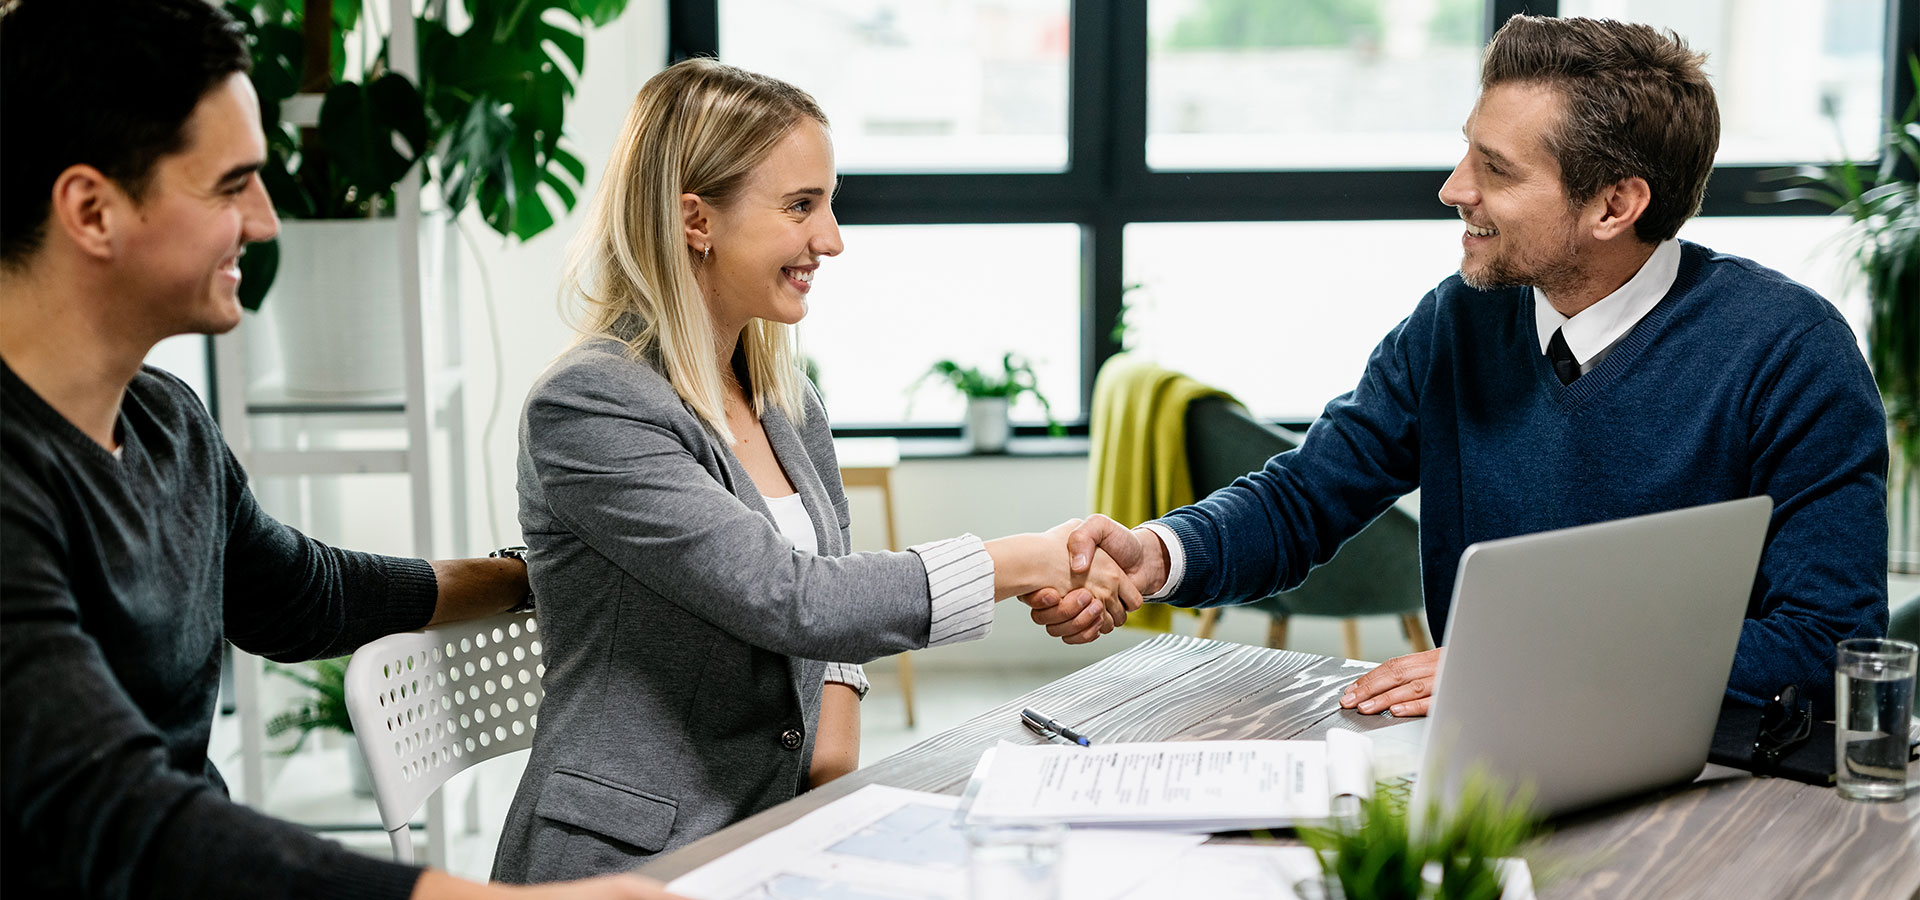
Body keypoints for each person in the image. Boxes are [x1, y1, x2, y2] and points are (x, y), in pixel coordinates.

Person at [0, 2, 687, 898]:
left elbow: (300, 597)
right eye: (231, 184)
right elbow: (119, 810)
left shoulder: (168, 426)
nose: (265, 220)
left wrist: (527, 573)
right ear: (92, 209)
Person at [1040, 15, 1888, 718]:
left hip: (1712, 775)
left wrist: (1529, 672)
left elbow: (1826, 645)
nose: (1454, 188)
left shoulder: (1790, 352)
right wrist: (1161, 550)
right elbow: (1308, 496)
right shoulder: (1458, 321)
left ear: (1614, 205)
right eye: (1466, 151)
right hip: (1484, 755)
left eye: (1496, 169)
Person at [488, 58, 1139, 883]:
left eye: (828, 205)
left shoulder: (786, 400)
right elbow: (792, 597)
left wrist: (834, 786)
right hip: (625, 861)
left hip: (775, 831)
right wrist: (1025, 562)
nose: (831, 239)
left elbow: (833, 631)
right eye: (801, 206)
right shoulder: (591, 407)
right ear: (697, 220)